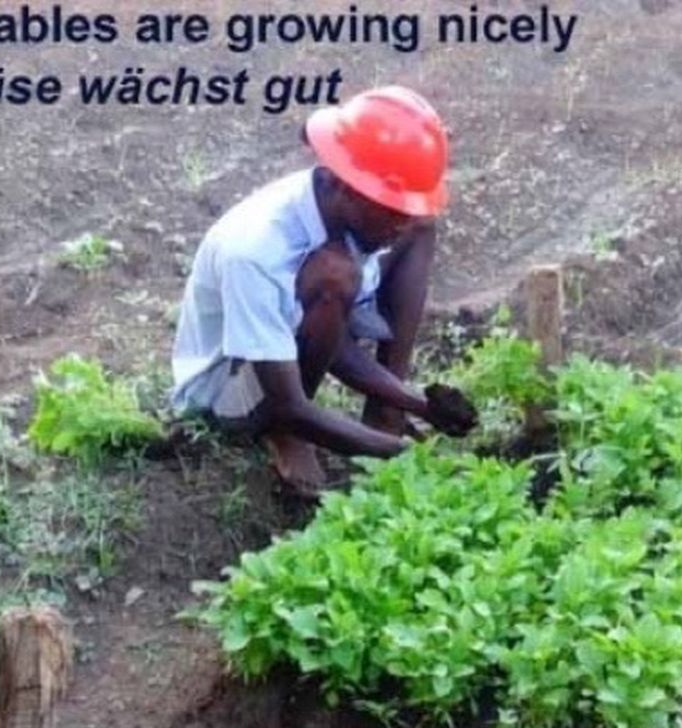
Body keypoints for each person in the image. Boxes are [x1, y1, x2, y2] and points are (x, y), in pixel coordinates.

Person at [170, 85, 476, 497]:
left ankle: (384, 415)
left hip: (285, 350)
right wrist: (403, 456)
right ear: (347, 187)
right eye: (391, 210)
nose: (399, 223)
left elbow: (339, 347)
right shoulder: (255, 251)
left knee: (416, 230)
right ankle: (287, 436)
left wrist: (414, 402)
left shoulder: (344, 212)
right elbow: (286, 402)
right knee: (336, 277)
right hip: (228, 393)